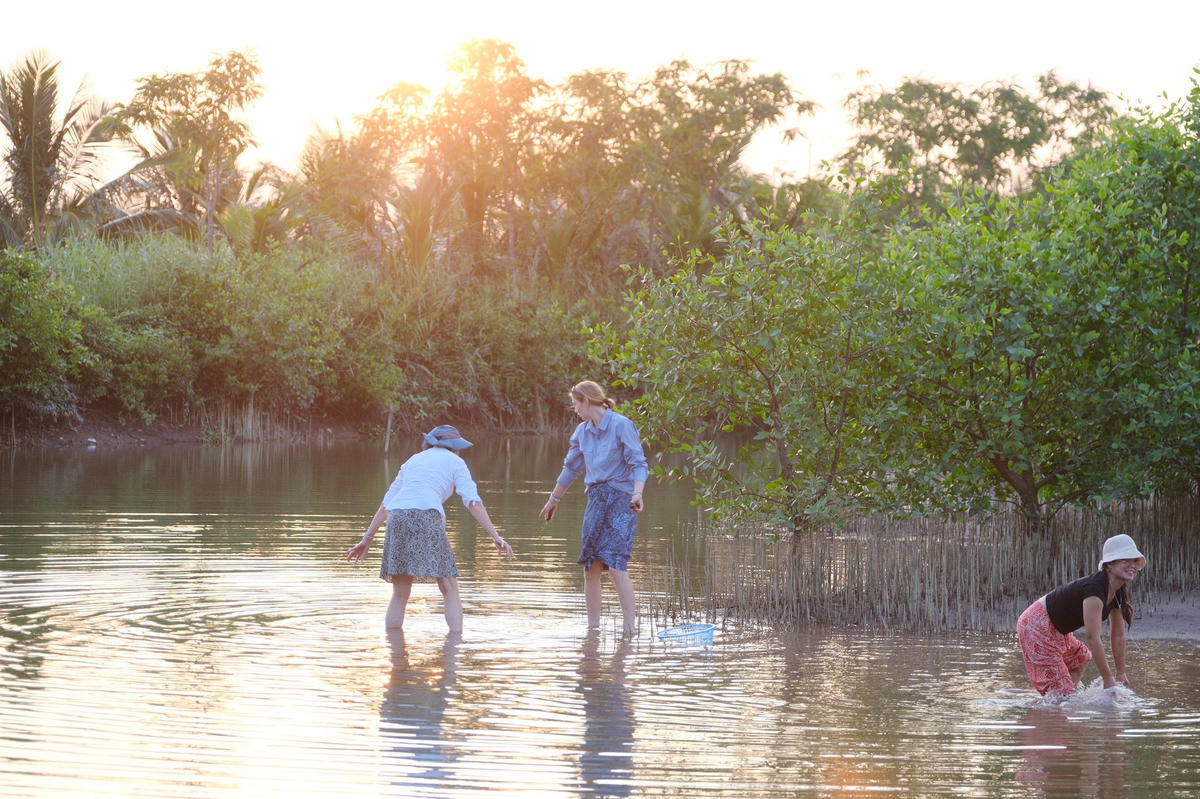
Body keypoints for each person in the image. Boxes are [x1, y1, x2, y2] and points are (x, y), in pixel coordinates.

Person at [347, 424, 514, 632]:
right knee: (449, 586)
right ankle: (454, 650)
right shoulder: (456, 462)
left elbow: (385, 506)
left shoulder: (413, 460)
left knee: (400, 592)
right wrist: (495, 535)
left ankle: (395, 653)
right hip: (427, 514)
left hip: (397, 516)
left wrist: (367, 538)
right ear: (456, 448)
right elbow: (473, 503)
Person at [539, 381, 648, 635]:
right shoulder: (582, 432)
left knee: (617, 568)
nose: (575, 409)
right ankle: (593, 632)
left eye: (576, 403)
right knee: (591, 569)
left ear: (587, 401)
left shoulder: (621, 425)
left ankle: (630, 630)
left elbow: (639, 464)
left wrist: (638, 493)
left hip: (623, 500)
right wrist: (554, 499)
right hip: (596, 501)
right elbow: (571, 468)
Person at [1016, 533, 1147, 698]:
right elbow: (1092, 637)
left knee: (1080, 657)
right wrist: (1108, 679)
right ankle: (1058, 701)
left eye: (1135, 561)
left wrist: (1120, 673)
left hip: (1055, 629)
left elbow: (1118, 635)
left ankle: (1059, 699)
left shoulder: (1117, 592)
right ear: (1110, 564)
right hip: (1036, 625)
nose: (1132, 565)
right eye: (1125, 560)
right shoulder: (1094, 589)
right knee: (1062, 696)